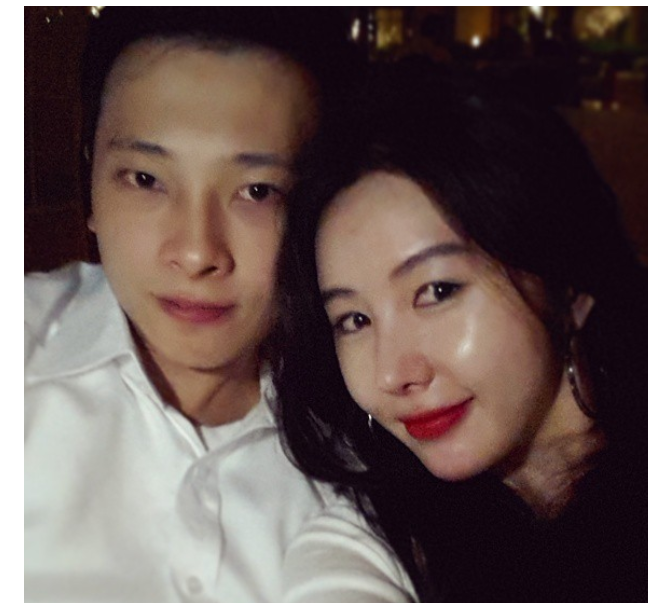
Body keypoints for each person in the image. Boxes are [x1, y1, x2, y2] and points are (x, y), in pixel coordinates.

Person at [24, 8, 416, 603]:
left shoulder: (378, 431)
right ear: (91, 184)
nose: (196, 253)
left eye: (258, 191)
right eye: (146, 179)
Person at [275, 66, 648, 603]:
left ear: (567, 286)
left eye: (437, 291)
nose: (392, 373)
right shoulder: (374, 543)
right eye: (354, 320)